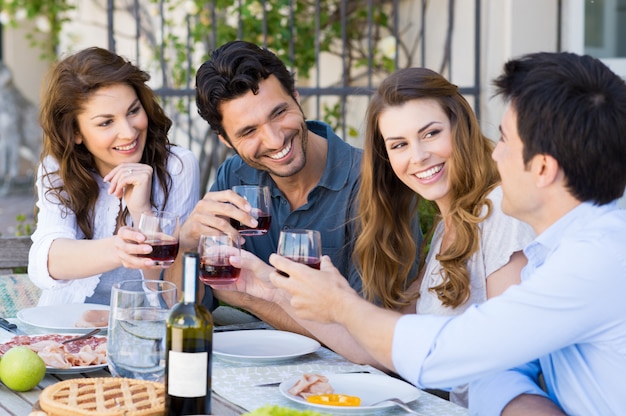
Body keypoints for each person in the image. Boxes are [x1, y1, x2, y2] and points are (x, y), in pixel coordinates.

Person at [269, 51, 626, 415]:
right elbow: (494, 362)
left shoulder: (592, 261)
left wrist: (341, 304)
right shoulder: (563, 251)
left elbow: (450, 353)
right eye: (399, 144)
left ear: (544, 167)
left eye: (504, 141)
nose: (495, 155)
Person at [223, 67, 534, 407]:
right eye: (399, 144)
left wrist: (343, 304)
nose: (417, 156)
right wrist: (270, 289)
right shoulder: (448, 227)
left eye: (430, 133)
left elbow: (509, 356)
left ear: (461, 126)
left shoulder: (499, 210)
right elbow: (381, 348)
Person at [174, 40, 364, 334]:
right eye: (249, 131)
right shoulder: (234, 177)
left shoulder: (370, 182)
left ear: (297, 98)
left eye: (278, 113)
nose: (275, 140)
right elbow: (192, 300)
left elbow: (371, 330)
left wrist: (249, 297)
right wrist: (185, 243)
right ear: (226, 140)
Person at [29, 47, 199, 306]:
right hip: (66, 323)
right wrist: (120, 249)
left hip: (142, 327)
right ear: (76, 132)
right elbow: (47, 260)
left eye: (133, 111)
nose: (129, 132)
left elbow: (172, 292)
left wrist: (142, 212)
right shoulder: (58, 168)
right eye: (106, 122)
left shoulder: (177, 166)